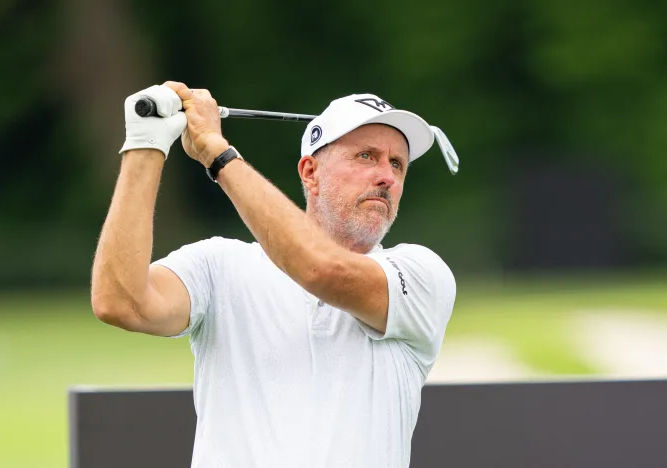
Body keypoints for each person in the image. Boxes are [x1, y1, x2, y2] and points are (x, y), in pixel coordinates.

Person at [90, 82, 457, 468]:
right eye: (366, 156)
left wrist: (217, 153)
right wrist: (145, 144)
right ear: (311, 173)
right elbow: (120, 301)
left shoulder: (421, 274)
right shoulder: (219, 265)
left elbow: (320, 268)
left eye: (397, 164)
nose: (387, 177)